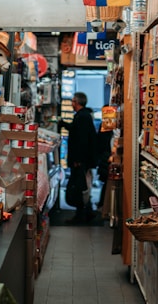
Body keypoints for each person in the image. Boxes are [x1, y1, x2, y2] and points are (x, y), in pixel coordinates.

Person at [58, 92, 97, 224]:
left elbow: (81, 140)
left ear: (78, 102)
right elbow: (76, 131)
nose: (71, 103)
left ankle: (80, 215)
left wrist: (78, 160)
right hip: (82, 159)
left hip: (80, 160)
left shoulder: (82, 116)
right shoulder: (83, 115)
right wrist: (64, 123)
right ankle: (88, 211)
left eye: (73, 101)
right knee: (83, 186)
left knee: (79, 186)